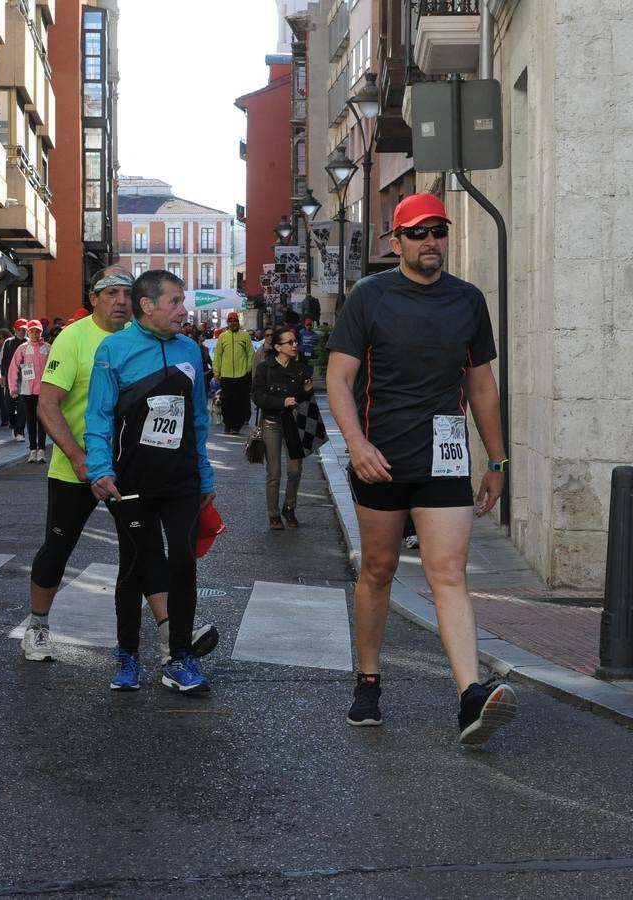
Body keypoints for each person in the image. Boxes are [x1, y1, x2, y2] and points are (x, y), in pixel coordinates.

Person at [325, 193, 516, 742]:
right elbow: (338, 380)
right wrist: (356, 445)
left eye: (438, 231)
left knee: (448, 572)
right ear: (397, 242)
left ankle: (470, 697)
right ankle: (368, 680)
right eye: (418, 232)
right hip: (380, 458)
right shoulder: (370, 297)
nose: (430, 241)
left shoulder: (467, 301)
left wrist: (497, 460)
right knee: (379, 570)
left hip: (446, 456)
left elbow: (481, 386)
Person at [23, 267, 217, 668]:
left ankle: (170, 635)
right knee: (58, 550)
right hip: (75, 466)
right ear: (93, 299)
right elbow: (47, 405)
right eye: (110, 293)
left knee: (141, 552)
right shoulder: (73, 339)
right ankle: (38, 624)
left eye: (126, 293)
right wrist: (81, 458)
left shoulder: (154, 341)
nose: (120, 301)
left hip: (129, 468)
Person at [86, 269, 215, 693]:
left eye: (183, 301)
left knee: (182, 562)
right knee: (138, 565)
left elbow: (198, 418)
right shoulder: (114, 349)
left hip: (181, 480)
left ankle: (180, 658)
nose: (183, 310)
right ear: (148, 305)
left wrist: (206, 474)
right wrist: (100, 469)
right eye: (175, 301)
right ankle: (127, 655)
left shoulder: (190, 350)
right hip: (131, 481)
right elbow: (99, 416)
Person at [252, 328, 312, 531]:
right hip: (271, 423)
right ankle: (274, 514)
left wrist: (306, 393)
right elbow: (258, 397)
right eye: (289, 342)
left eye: (295, 341)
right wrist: (281, 401)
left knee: (295, 470)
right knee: (274, 473)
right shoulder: (264, 368)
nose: (295, 345)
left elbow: (303, 402)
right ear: (278, 347)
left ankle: (289, 507)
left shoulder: (301, 369)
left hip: (294, 424)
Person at [7, 319, 50, 463]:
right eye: (31, 331)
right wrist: (13, 387)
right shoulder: (23, 348)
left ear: (41, 332)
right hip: (27, 390)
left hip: (44, 390)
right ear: (28, 332)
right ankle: (32, 449)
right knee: (30, 420)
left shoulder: (48, 348)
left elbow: (55, 367)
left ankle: (42, 450)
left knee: (42, 421)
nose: (34, 334)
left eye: (37, 331)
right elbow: (13, 368)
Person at [212, 311, 254, 434]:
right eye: (230, 321)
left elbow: (250, 353)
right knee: (227, 402)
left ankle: (237, 425)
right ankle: (228, 423)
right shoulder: (222, 337)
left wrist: (248, 369)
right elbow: (217, 355)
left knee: (240, 402)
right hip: (226, 376)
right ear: (227, 323)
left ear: (238, 322)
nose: (232, 323)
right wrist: (216, 372)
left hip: (242, 376)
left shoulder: (245, 336)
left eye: (234, 321)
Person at [0, 318, 28, 441]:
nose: (22, 332)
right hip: (11, 377)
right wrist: (1, 375)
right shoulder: (9, 342)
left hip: (27, 377)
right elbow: (3, 360)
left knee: (23, 405)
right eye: (20, 329)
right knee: (9, 405)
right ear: (14, 330)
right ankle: (13, 424)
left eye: (24, 329)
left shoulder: (29, 343)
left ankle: (20, 431)